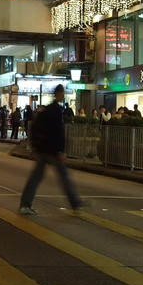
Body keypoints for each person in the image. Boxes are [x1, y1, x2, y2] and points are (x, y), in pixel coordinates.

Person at [19, 85, 87, 214]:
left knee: (36, 178)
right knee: (63, 176)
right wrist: (60, 151)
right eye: (62, 93)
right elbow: (57, 133)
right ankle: (75, 202)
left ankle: (25, 204)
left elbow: (36, 128)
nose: (63, 96)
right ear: (59, 94)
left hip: (43, 149)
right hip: (52, 151)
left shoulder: (46, 110)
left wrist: (35, 147)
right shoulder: (56, 111)